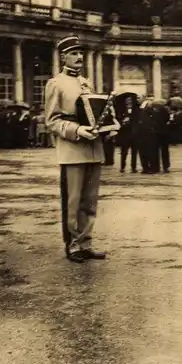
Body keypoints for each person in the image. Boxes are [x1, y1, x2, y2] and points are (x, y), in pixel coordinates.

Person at [45, 35, 111, 263]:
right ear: (63, 57)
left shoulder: (87, 83)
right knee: (73, 200)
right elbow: (52, 121)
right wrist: (76, 130)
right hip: (72, 149)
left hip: (93, 147)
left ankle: (86, 242)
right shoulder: (56, 83)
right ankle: (73, 244)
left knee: (90, 200)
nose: (79, 57)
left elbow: (93, 113)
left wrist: (107, 127)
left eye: (81, 53)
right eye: (73, 53)